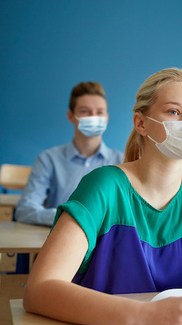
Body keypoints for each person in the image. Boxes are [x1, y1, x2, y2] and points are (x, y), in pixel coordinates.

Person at [23, 68, 182, 325]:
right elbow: (39, 290)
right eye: (174, 112)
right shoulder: (103, 186)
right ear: (141, 123)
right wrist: (146, 317)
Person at [15, 82, 123, 226]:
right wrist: (70, 219)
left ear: (107, 117)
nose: (93, 117)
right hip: (59, 241)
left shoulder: (122, 162)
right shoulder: (48, 159)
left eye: (99, 112)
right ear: (70, 116)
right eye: (85, 111)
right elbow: (25, 210)